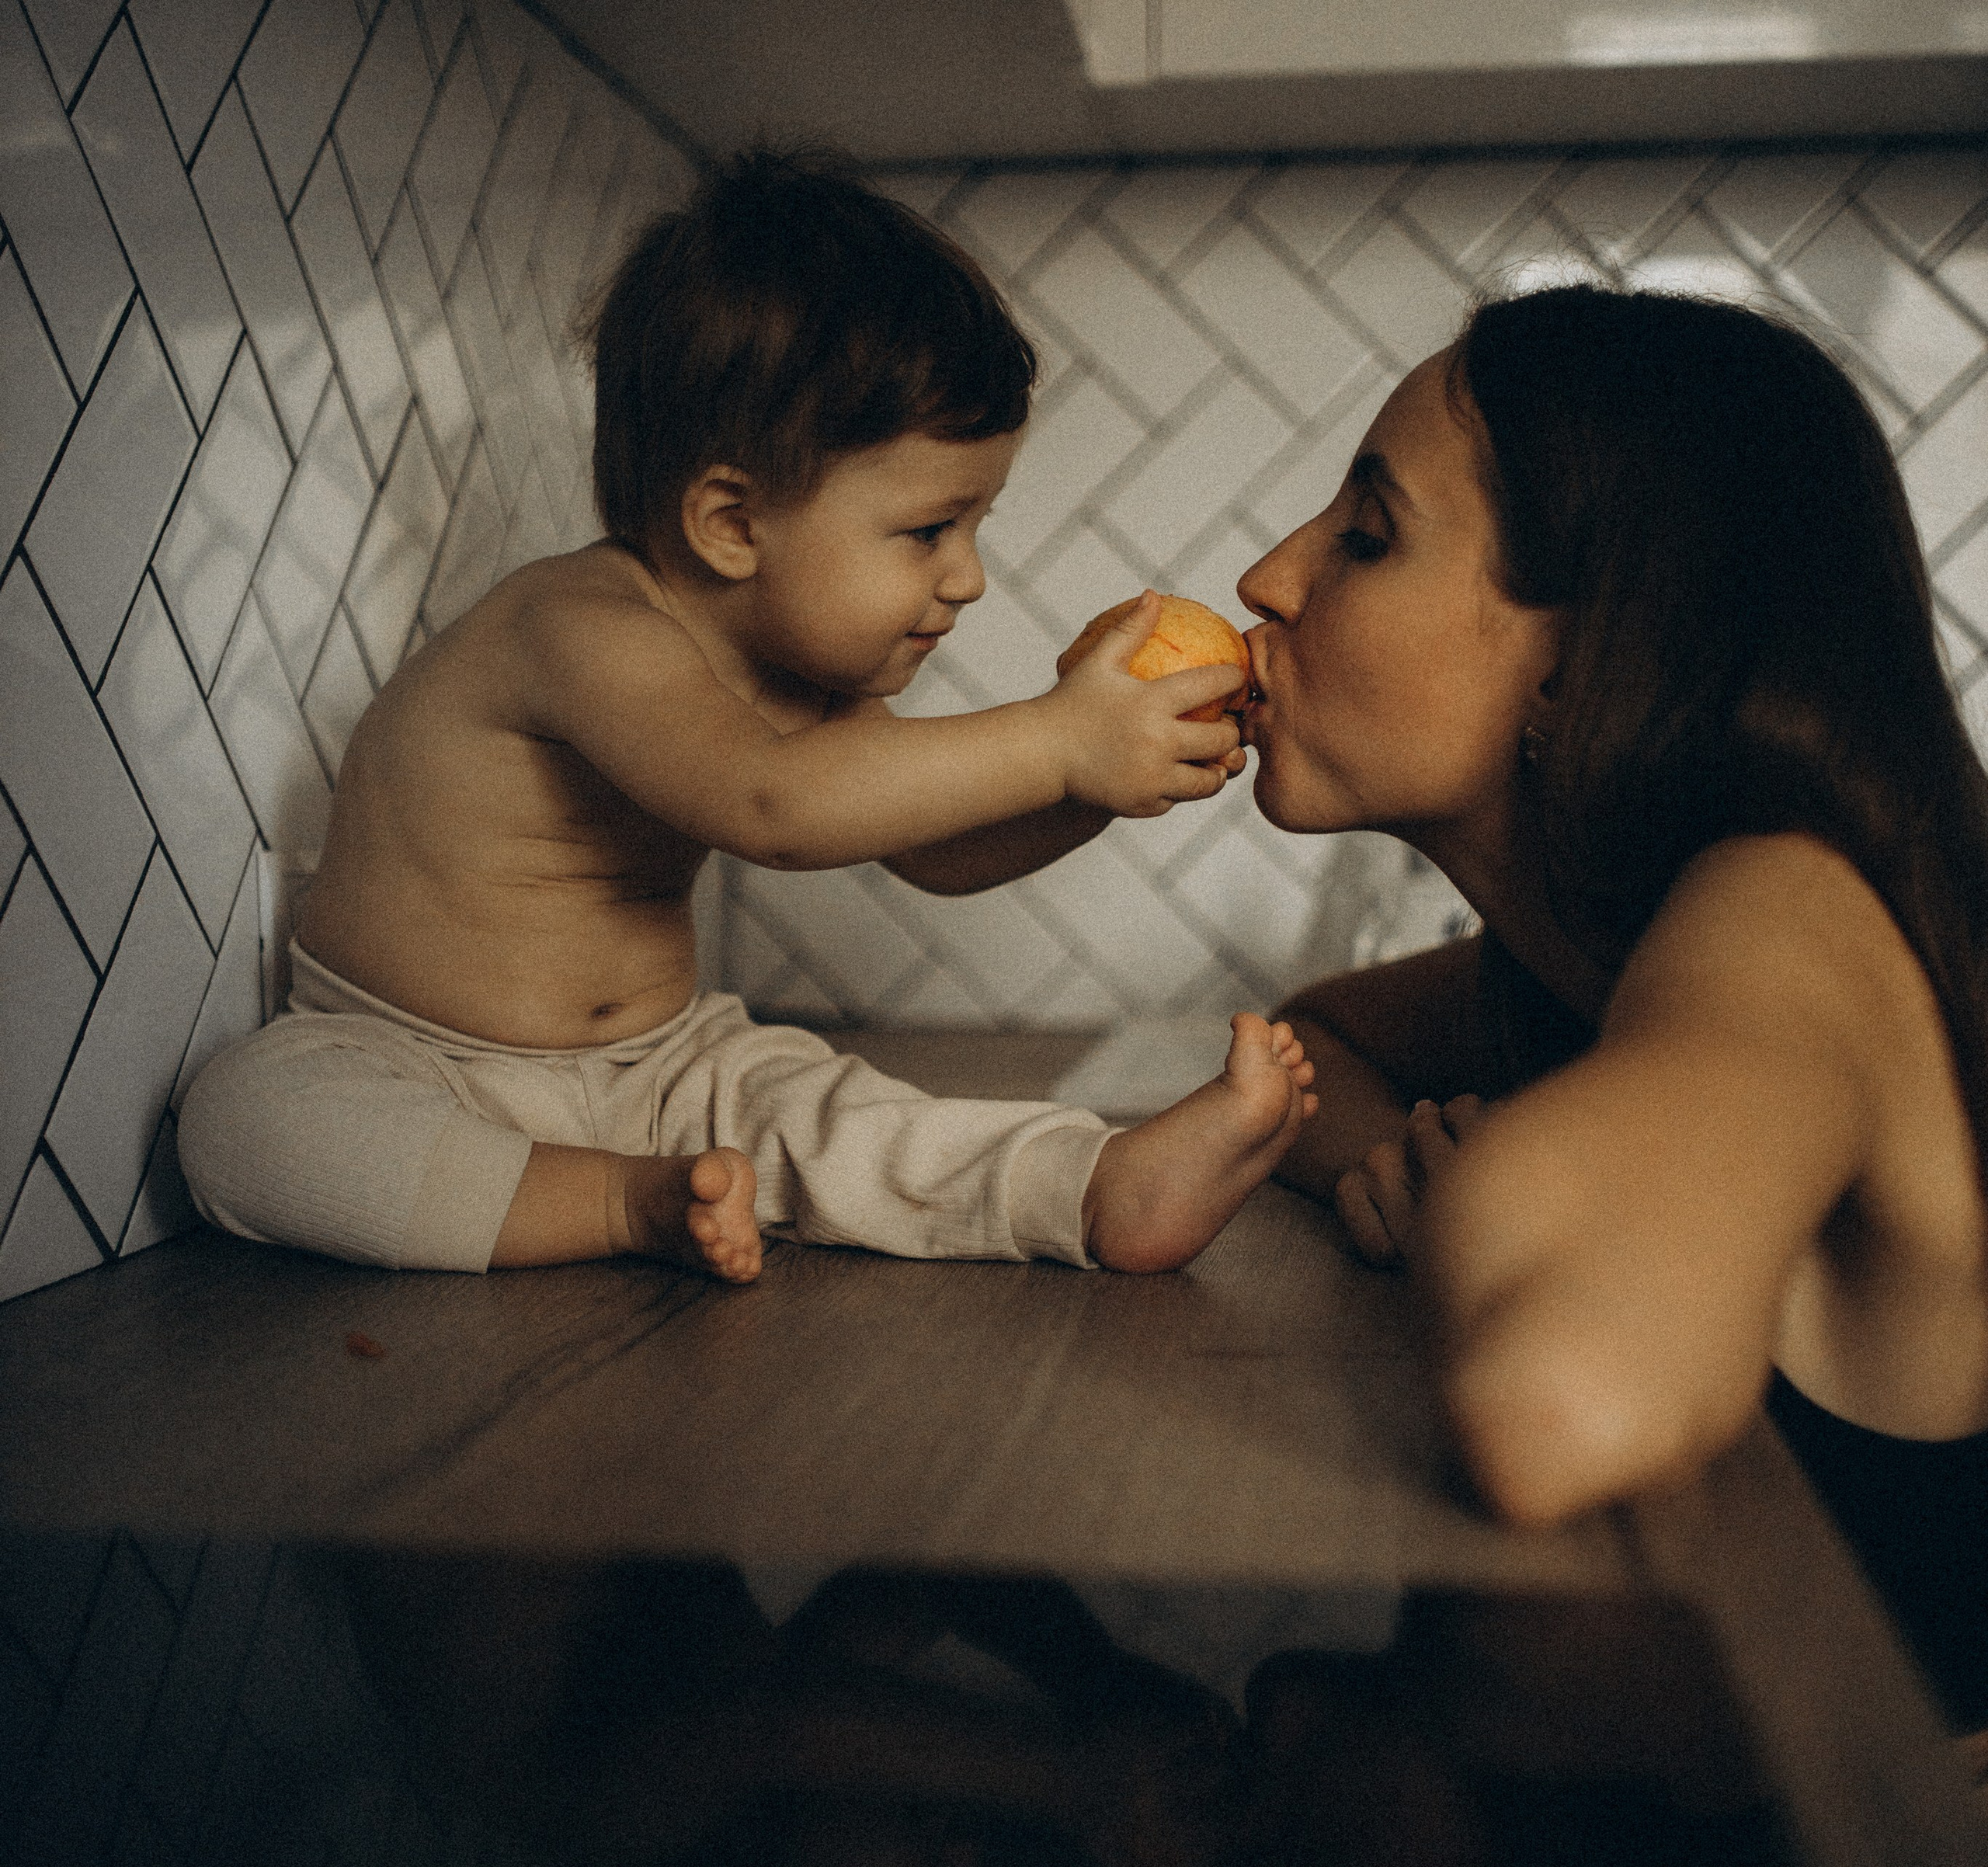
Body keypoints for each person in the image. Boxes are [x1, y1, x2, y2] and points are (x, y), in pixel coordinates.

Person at [178, 153, 1314, 1285]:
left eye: (976, 525)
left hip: (666, 1068)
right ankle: (625, 1202)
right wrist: (1060, 738)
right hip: (413, 1064)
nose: (967, 577)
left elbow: (937, 854)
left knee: (838, 1112)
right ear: (731, 521)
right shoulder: (578, 627)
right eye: (929, 530)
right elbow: (770, 807)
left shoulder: (806, 678)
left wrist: (1105, 778)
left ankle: (1088, 1186)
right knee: (247, 1118)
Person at [1242, 283, 1988, 1726]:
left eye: (1368, 536)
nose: (1271, 578)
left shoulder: (1789, 915)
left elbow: (1563, 1398)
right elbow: (1318, 1043)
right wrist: (1390, 1163)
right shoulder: (1596, 942)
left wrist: (1492, 1203)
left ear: (1578, 663)